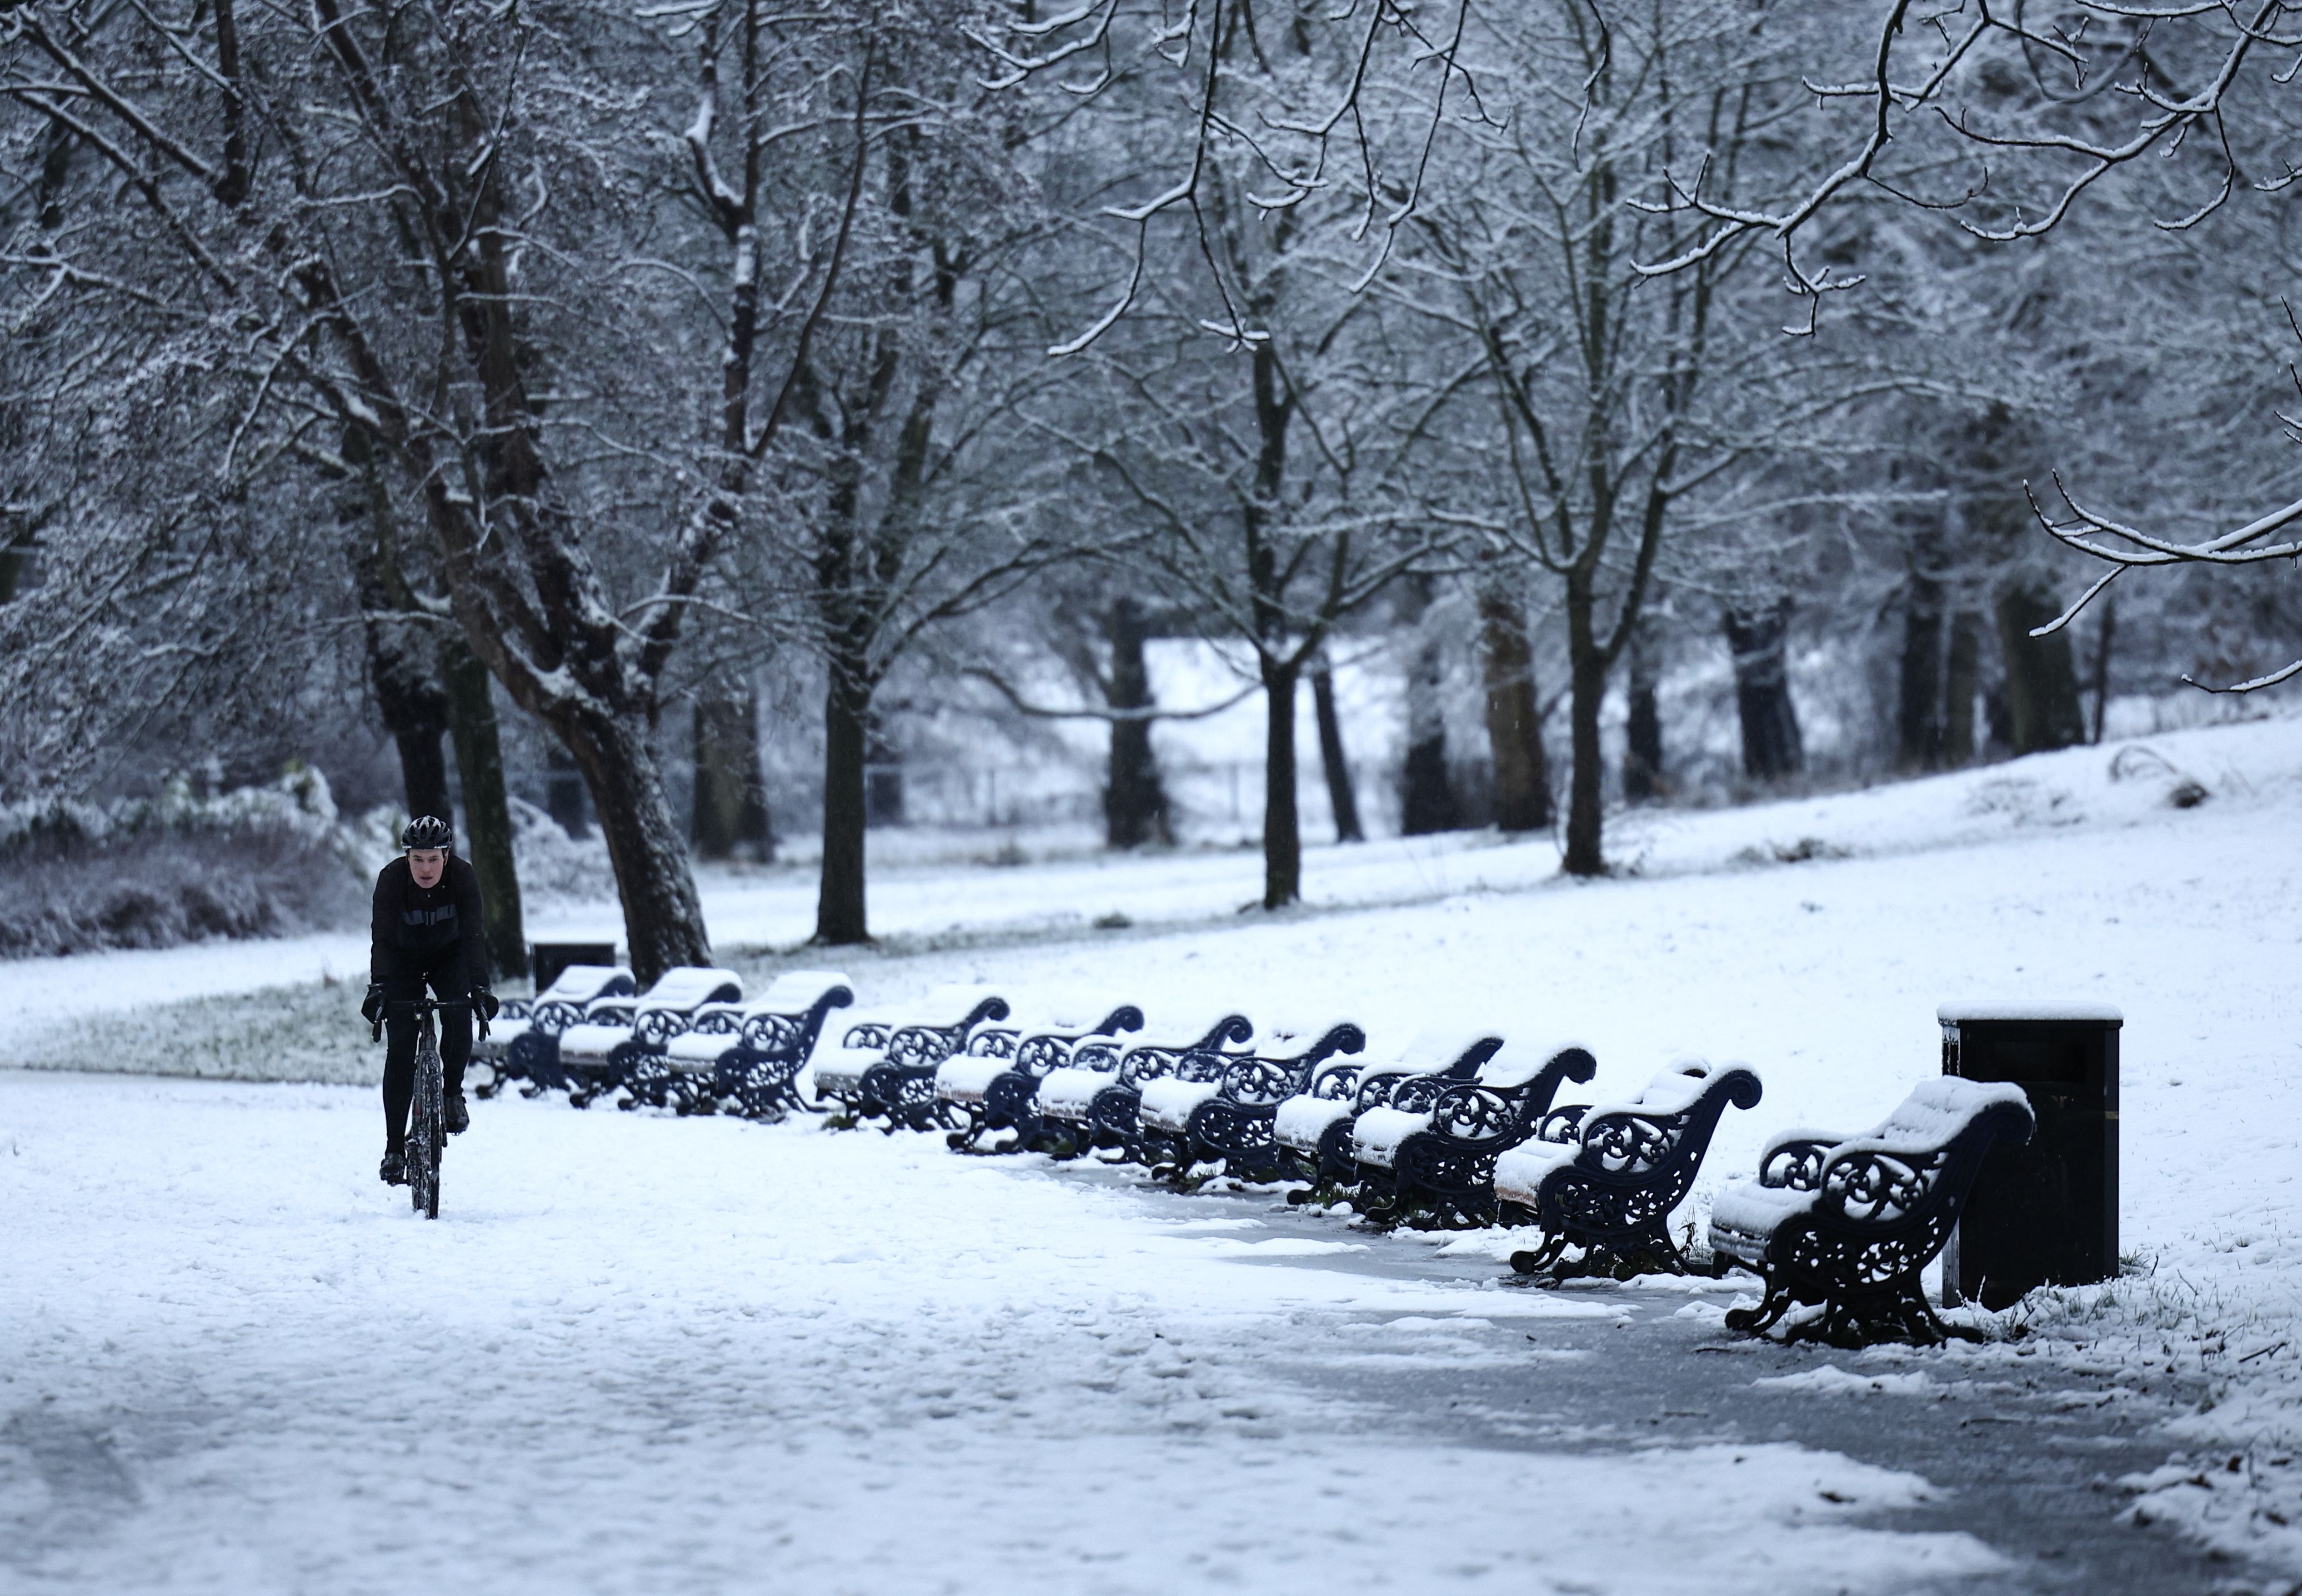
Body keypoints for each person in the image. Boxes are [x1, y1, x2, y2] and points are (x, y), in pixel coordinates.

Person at [361, 816, 498, 1185]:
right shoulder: (391, 881)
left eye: (433, 859)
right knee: (401, 1046)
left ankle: (452, 1091)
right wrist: (380, 987)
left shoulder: (464, 878)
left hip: (448, 956)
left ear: (447, 856)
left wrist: (480, 988)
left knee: (458, 1015)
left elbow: (472, 936)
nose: (425, 868)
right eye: (418, 859)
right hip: (404, 961)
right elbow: (383, 940)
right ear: (407, 857)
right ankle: (394, 1148)